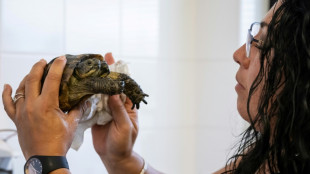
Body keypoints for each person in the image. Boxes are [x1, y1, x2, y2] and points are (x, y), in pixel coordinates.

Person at [2, 0, 310, 173]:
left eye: (260, 43)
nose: (239, 54)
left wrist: (45, 160)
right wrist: (121, 160)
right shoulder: (276, 156)